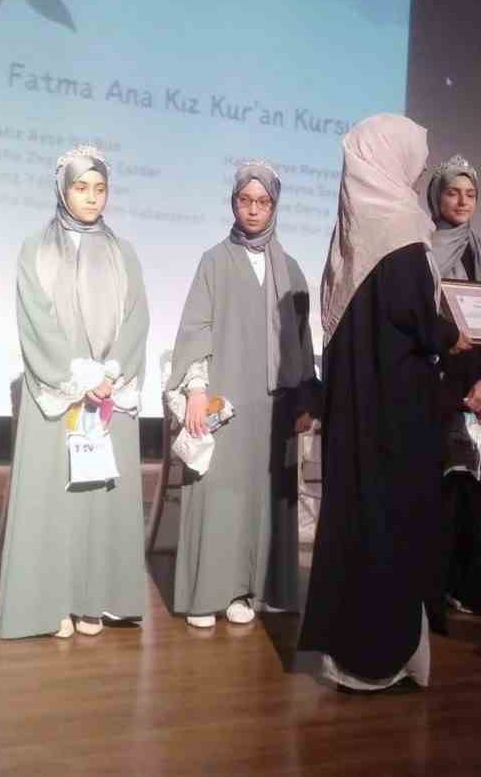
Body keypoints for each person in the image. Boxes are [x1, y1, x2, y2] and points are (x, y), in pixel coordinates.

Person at [298, 114, 465, 693]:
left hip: (355, 403)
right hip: (396, 408)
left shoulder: (353, 226)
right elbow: (414, 316)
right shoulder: (399, 229)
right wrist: (452, 335)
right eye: (414, 157)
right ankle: (379, 657)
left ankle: (348, 654)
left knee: (356, 510)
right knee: (391, 519)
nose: (419, 169)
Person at [0, 144, 150, 639]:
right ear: (63, 190)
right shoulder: (35, 248)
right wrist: (78, 376)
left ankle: (94, 598)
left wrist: (110, 373)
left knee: (100, 496)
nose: (91, 197)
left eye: (100, 188)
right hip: (59, 389)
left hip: (108, 391)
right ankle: (51, 600)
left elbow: (136, 319)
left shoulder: (124, 252)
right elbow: (35, 320)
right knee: (54, 496)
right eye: (81, 187)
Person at [165, 161, 316, 629]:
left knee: (262, 497)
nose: (253, 210)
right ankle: (210, 592)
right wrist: (196, 390)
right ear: (233, 203)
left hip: (275, 406)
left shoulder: (290, 268)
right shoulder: (214, 261)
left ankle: (252, 590)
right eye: (245, 201)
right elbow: (196, 328)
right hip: (224, 400)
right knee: (219, 492)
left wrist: (306, 401)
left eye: (262, 202)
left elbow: (302, 341)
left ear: (274, 206)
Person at [425, 154, 481, 623]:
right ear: (436, 196)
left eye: (470, 194)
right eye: (452, 192)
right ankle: (432, 589)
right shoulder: (420, 248)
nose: (462, 202)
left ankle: (473, 588)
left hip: (478, 380)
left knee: (476, 485)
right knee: (436, 486)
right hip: (434, 378)